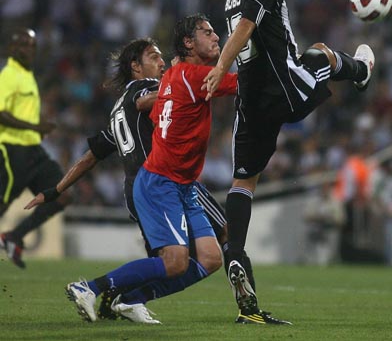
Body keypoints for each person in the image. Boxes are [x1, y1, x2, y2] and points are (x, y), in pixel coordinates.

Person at [25, 32, 259, 323]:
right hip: (165, 180)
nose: (162, 62)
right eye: (154, 57)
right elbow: (145, 101)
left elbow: (90, 157)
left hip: (135, 189)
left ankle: (126, 300)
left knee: (181, 258)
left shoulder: (116, 110)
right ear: (135, 67)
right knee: (217, 236)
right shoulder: (145, 88)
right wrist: (179, 82)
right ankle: (247, 306)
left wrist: (55, 189)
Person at [203, 0, 376, 319]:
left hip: (250, 102)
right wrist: (219, 67)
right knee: (320, 53)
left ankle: (235, 253)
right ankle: (361, 70)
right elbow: (248, 26)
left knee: (243, 182)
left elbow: (241, 28)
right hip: (284, 88)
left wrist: (223, 67)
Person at [0, 27, 73, 269]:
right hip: (13, 149)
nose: (29, 50)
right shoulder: (9, 74)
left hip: (33, 149)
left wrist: (39, 127)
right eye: (23, 45)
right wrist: (35, 126)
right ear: (12, 48)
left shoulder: (27, 74)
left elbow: (23, 111)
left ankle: (14, 236)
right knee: (3, 203)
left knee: (63, 194)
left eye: (32, 46)